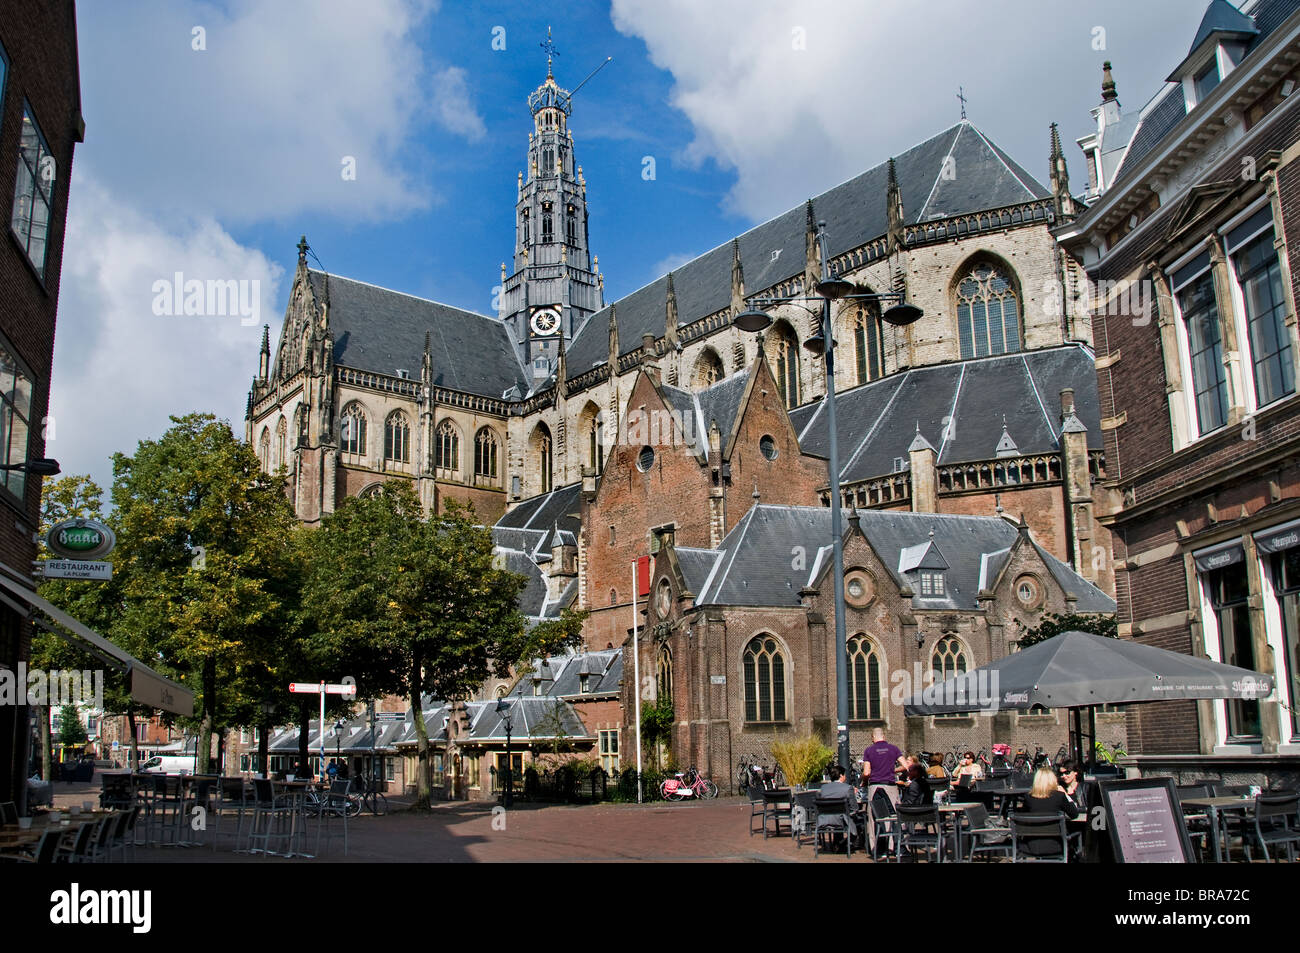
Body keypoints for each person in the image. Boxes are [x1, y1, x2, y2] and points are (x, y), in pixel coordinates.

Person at [1018, 765, 1079, 858]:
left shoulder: (1028, 797)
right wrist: (1066, 794)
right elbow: (1074, 814)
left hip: (1031, 846)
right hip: (1057, 846)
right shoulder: (1059, 796)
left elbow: (1023, 818)